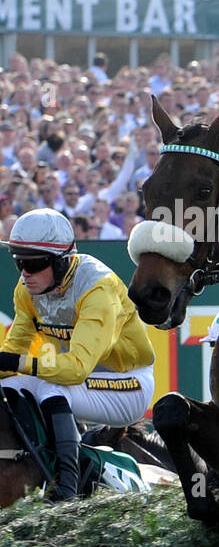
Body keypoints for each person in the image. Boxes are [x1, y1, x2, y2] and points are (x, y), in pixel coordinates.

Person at [0, 209, 155, 500]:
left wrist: (14, 362)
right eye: (19, 261)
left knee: (51, 384)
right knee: (9, 387)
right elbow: (13, 353)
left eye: (32, 264)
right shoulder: (26, 290)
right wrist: (8, 363)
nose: (24, 273)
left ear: (60, 263)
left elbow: (75, 370)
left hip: (128, 384)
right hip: (76, 380)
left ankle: (66, 489)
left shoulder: (98, 288)